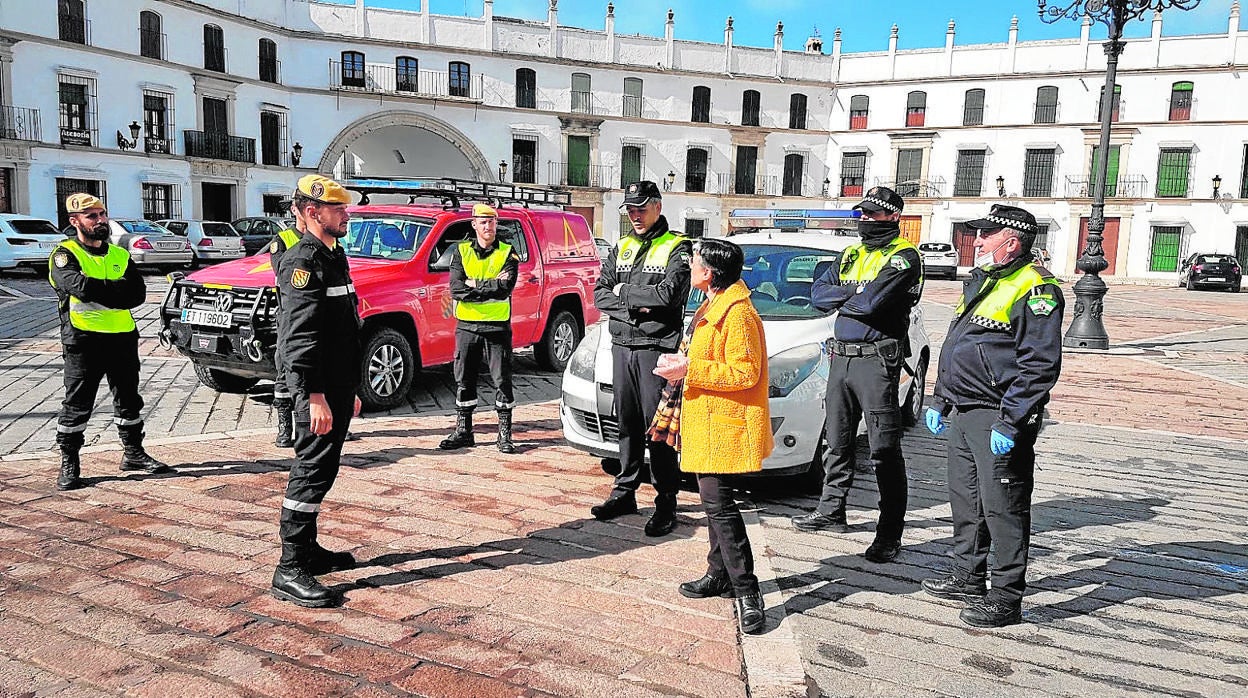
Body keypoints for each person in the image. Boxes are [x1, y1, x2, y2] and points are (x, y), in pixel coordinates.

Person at [921, 204, 1064, 628]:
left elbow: (1039, 365)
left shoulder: (1036, 289)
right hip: (964, 412)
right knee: (967, 501)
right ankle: (967, 575)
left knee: (1004, 509)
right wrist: (940, 397)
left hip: (998, 415)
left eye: (986, 234)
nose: (977, 240)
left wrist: (1013, 419)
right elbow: (957, 344)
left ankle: (1006, 597)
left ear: (1012, 241)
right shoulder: (984, 281)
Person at [791, 186, 923, 565]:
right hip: (842, 358)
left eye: (873, 216)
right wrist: (855, 292)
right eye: (861, 215)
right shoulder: (851, 253)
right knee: (837, 440)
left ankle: (889, 533)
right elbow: (818, 294)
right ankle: (832, 510)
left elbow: (871, 304)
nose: (865, 221)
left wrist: (847, 293)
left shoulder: (904, 257)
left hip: (877, 362)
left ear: (893, 217)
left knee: (883, 450)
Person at [653, 238, 772, 635]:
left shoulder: (737, 314)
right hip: (707, 421)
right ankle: (717, 573)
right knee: (714, 503)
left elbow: (745, 373)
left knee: (719, 505)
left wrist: (690, 368)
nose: (690, 263)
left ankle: (747, 590)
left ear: (711, 272)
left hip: (722, 425)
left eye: (696, 260)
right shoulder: (714, 302)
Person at [271, 174, 362, 607]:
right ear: (312, 213)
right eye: (339, 209)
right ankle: (289, 567)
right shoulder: (303, 261)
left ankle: (307, 551)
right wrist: (313, 396)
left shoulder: (333, 254)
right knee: (311, 469)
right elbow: (298, 337)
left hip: (338, 384)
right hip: (317, 390)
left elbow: (344, 328)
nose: (347, 214)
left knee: (324, 470)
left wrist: (350, 388)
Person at [49, 193, 171, 491]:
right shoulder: (64, 255)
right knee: (78, 404)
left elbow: (137, 295)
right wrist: (114, 292)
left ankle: (133, 454)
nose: (101, 220)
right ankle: (70, 462)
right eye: (92, 216)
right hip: (83, 339)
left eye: (103, 214)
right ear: (74, 221)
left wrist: (102, 291)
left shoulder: (120, 255)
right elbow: (77, 287)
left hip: (122, 338)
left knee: (129, 399)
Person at [591, 180, 692, 537]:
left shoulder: (678, 246)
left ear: (657, 207)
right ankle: (625, 491)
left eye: (641, 208)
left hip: (656, 349)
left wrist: (624, 295)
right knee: (628, 424)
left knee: (657, 429)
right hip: (623, 346)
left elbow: (669, 295)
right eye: (630, 209)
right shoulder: (621, 246)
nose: (635, 215)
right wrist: (638, 304)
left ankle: (666, 501)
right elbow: (599, 294)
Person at [438, 203, 521, 454]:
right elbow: (456, 290)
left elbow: (505, 288)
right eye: (483, 222)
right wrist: (490, 286)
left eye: (492, 221)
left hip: (497, 327)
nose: (488, 226)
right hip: (467, 326)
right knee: (463, 379)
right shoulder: (460, 251)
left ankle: (504, 435)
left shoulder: (508, 252)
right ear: (474, 224)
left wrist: (475, 285)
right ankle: (464, 431)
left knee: (502, 380)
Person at [269, 195, 306, 449]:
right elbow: (285, 276)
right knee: (285, 369)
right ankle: (285, 427)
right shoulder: (282, 241)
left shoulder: (330, 240)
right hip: (290, 317)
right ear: (295, 210)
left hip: (320, 315)